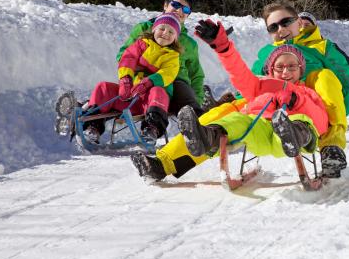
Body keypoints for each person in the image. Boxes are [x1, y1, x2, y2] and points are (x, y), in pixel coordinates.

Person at [131, 24, 329, 181]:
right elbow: (239, 73)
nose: (285, 72)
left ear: (301, 70)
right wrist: (223, 47)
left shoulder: (307, 92)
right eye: (279, 67)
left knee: (300, 120)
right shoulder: (262, 85)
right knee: (230, 119)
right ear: (270, 71)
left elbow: (320, 120)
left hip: (292, 134)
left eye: (292, 67)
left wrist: (296, 99)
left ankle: (290, 133)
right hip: (257, 128)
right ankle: (176, 156)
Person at [250, 2, 349, 178]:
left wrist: (336, 116)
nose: (280, 29)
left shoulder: (321, 47)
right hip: (276, 109)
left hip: (313, 111)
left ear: (299, 23)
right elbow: (250, 85)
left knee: (324, 76)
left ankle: (332, 148)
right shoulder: (267, 53)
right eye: (273, 27)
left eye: (286, 22)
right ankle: (211, 136)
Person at [83, 14, 182, 145]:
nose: (165, 33)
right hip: (129, 95)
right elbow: (127, 59)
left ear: (175, 38)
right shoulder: (140, 45)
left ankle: (151, 129)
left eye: (171, 32)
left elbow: (168, 73)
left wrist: (149, 82)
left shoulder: (173, 56)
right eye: (162, 28)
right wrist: (125, 79)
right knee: (104, 87)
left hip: (150, 102)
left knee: (158, 91)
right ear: (154, 29)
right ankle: (93, 126)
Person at [117, 0, 205, 116]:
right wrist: (130, 76)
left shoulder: (188, 44)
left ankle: (198, 121)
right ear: (165, 5)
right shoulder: (144, 29)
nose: (179, 10)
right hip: (142, 80)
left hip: (176, 86)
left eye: (185, 9)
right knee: (118, 94)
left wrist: (197, 101)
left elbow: (196, 75)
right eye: (175, 4)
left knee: (185, 96)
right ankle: (89, 110)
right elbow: (124, 55)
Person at [298, 11, 349, 113]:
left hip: (319, 105)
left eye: (307, 25)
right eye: (299, 25)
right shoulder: (286, 45)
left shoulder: (324, 46)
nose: (302, 28)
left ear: (314, 27)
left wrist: (346, 106)